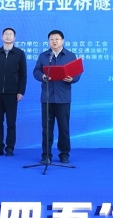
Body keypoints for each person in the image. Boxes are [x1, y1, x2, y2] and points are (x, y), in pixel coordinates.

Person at [32, 30, 82, 164]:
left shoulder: (70, 55)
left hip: (63, 97)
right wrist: (43, 76)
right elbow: (36, 71)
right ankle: (46, 155)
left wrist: (72, 78)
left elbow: (77, 73)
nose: (54, 41)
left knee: (63, 128)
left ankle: (64, 153)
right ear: (49, 41)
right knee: (46, 128)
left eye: (57, 39)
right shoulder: (44, 56)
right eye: (51, 39)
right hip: (47, 97)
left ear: (62, 41)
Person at [0, 27, 27, 157]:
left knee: (11, 122)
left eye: (10, 34)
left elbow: (23, 75)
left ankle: (10, 148)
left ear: (14, 38)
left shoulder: (19, 53)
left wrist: (20, 91)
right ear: (2, 37)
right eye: (6, 34)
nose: (8, 36)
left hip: (12, 93)